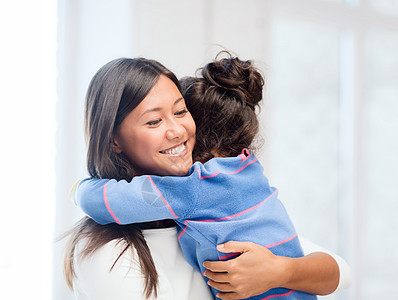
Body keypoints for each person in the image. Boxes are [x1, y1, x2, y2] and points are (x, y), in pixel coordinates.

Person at [63, 56, 350, 300]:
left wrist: (279, 270)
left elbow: (340, 270)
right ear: (114, 140)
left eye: (180, 111)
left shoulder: (199, 196)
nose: (176, 130)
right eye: (154, 121)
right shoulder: (109, 250)